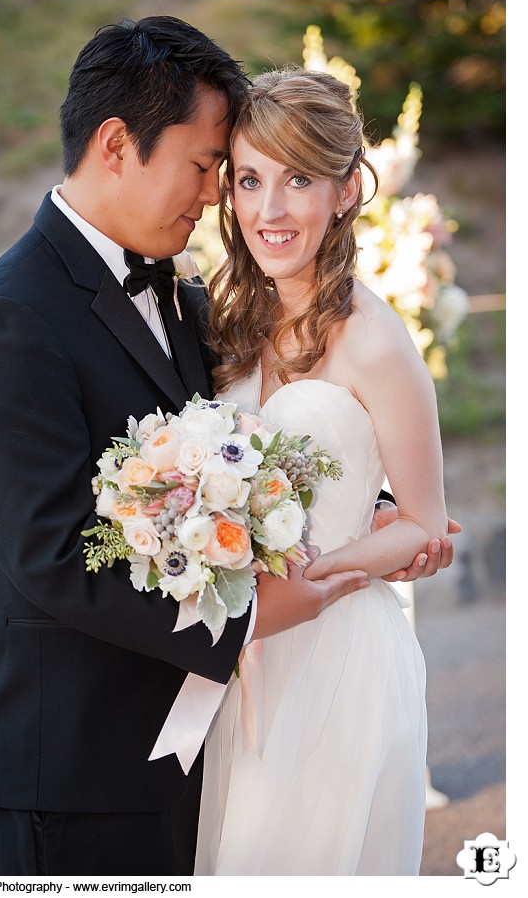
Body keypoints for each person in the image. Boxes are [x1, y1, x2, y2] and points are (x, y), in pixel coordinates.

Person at [0, 18, 455, 876]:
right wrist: (265, 606)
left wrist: (370, 513)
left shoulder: (190, 303)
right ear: (116, 145)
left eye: (235, 171)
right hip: (74, 764)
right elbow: (54, 555)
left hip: (203, 740)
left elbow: (255, 457)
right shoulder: (10, 318)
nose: (223, 196)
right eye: (213, 167)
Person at [194, 67, 449, 875]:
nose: (269, 211)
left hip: (338, 661)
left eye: (298, 179)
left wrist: (318, 581)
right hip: (243, 660)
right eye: (250, 180)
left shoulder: (375, 340)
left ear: (344, 191)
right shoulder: (230, 316)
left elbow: (420, 520)